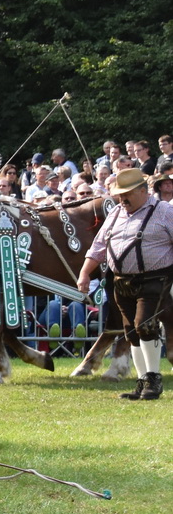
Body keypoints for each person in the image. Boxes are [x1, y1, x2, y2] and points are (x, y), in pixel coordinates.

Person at [75, 167, 173, 400]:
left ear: (143, 190)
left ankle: (154, 380)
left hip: (155, 279)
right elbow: (98, 247)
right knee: (131, 333)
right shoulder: (116, 213)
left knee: (144, 325)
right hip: (121, 282)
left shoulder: (165, 212)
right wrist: (84, 273)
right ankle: (142, 382)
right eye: (119, 193)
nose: (122, 198)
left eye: (127, 193)